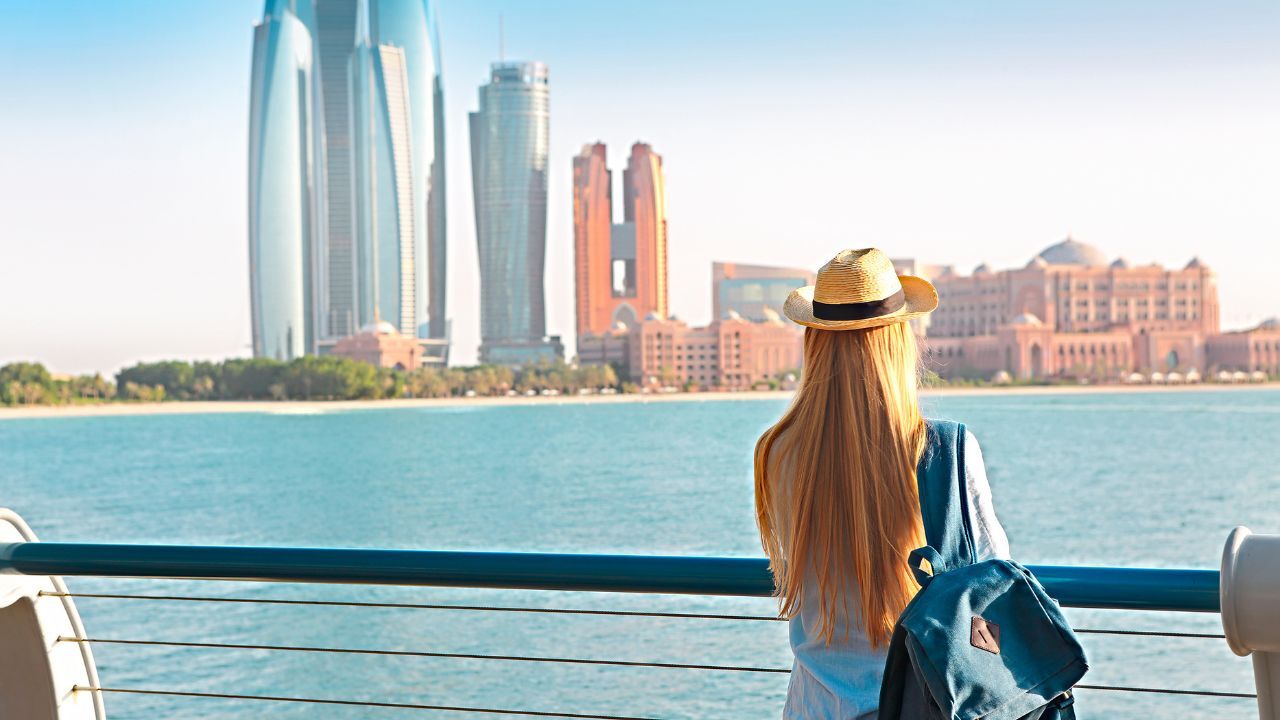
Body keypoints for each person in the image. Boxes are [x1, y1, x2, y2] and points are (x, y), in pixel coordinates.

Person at [754, 248, 1010, 719]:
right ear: (897, 342)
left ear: (814, 341)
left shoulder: (776, 451)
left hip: (813, 706)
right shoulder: (944, 448)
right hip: (918, 703)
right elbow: (993, 575)